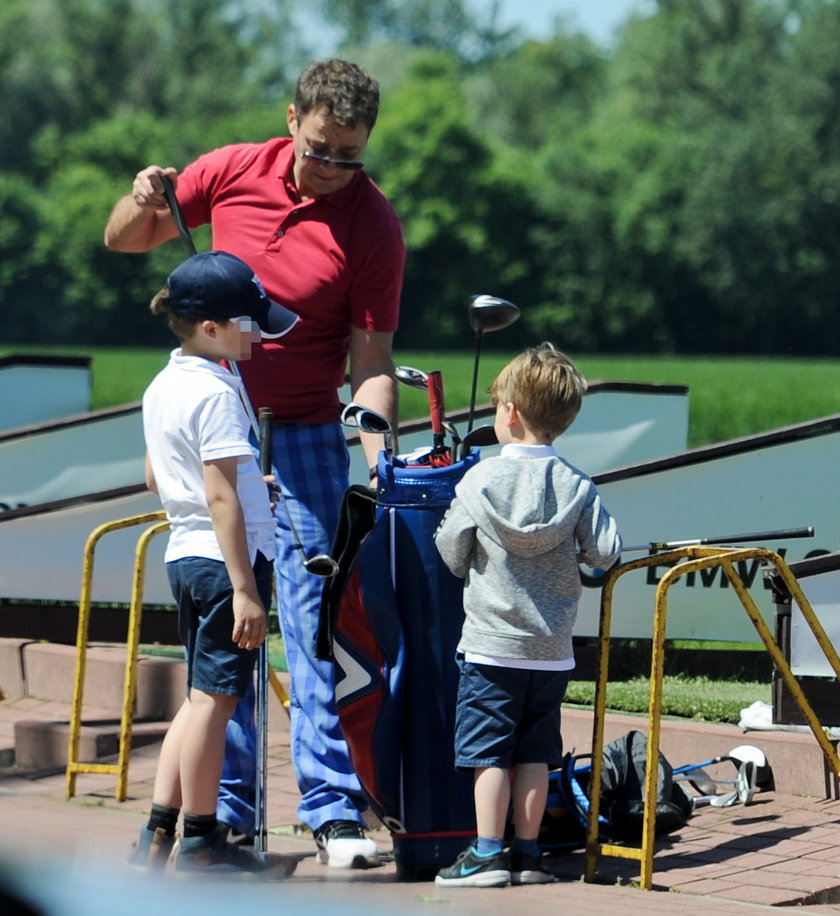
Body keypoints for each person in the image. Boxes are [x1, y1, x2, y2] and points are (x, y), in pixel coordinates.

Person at [104, 58, 405, 868]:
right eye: (320, 148)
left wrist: (380, 461)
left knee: (312, 624)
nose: (334, 169)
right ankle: (224, 810)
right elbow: (126, 239)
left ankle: (333, 809)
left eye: (352, 154)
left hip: (306, 430)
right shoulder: (233, 169)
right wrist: (141, 198)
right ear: (292, 121)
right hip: (219, 423)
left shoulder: (372, 223)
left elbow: (371, 356)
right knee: (231, 632)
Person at [131, 250, 298, 873]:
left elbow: (156, 474)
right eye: (248, 321)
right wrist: (246, 592)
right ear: (211, 329)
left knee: (199, 700)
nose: (257, 330)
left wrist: (250, 485)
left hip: (184, 552)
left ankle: (156, 837)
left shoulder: (163, 385)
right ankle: (203, 846)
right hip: (225, 563)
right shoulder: (217, 392)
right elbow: (220, 491)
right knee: (214, 704)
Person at [432, 343, 622, 888]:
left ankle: (487, 853)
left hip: (492, 646)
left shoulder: (479, 481)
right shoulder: (578, 486)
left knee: (488, 754)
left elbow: (450, 551)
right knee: (536, 752)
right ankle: (529, 854)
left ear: (510, 412)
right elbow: (606, 552)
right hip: (552, 650)